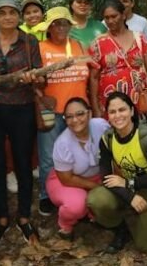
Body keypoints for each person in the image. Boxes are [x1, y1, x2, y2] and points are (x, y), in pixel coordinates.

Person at [0, 0, 44, 246]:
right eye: (2, 13)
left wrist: (33, 78)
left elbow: (40, 75)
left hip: (21, 108)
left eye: (12, 13)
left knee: (23, 163)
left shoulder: (29, 41)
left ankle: (24, 217)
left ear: (18, 16)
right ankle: (2, 218)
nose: (8, 17)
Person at [86, 92, 147, 254]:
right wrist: (130, 196)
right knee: (96, 199)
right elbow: (105, 177)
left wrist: (129, 184)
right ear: (107, 116)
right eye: (112, 112)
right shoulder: (107, 139)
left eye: (122, 110)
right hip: (126, 185)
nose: (118, 116)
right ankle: (121, 227)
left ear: (132, 111)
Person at [35, 6, 91, 216]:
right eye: (55, 24)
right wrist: (40, 95)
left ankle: (74, 194)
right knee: (49, 155)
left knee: (79, 154)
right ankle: (46, 195)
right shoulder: (39, 47)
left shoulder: (78, 45)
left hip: (78, 111)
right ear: (48, 28)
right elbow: (34, 80)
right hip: (52, 110)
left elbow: (90, 73)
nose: (60, 27)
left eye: (64, 23)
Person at [46, 97, 110, 239]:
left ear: (89, 113)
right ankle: (66, 225)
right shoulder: (62, 143)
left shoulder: (101, 126)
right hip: (65, 180)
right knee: (76, 205)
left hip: (97, 176)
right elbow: (66, 179)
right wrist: (95, 186)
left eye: (80, 114)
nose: (75, 120)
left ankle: (94, 213)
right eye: (69, 117)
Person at [89, 0, 147, 118]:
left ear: (123, 15)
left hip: (139, 100)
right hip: (110, 103)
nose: (110, 21)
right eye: (107, 18)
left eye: (114, 16)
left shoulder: (140, 39)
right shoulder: (98, 43)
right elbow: (94, 77)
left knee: (140, 132)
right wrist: (95, 108)